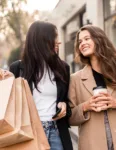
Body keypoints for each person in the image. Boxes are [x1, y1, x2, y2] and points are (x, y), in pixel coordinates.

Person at [68, 25, 116, 150]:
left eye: (87, 39)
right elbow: (69, 118)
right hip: (92, 145)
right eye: (80, 41)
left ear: (99, 39)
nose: (82, 43)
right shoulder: (75, 79)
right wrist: (86, 106)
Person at [9, 21, 73, 150]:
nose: (58, 42)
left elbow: (66, 100)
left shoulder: (63, 68)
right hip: (29, 132)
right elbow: (10, 105)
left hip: (56, 131)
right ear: (41, 40)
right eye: (54, 37)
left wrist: (65, 106)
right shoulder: (18, 68)